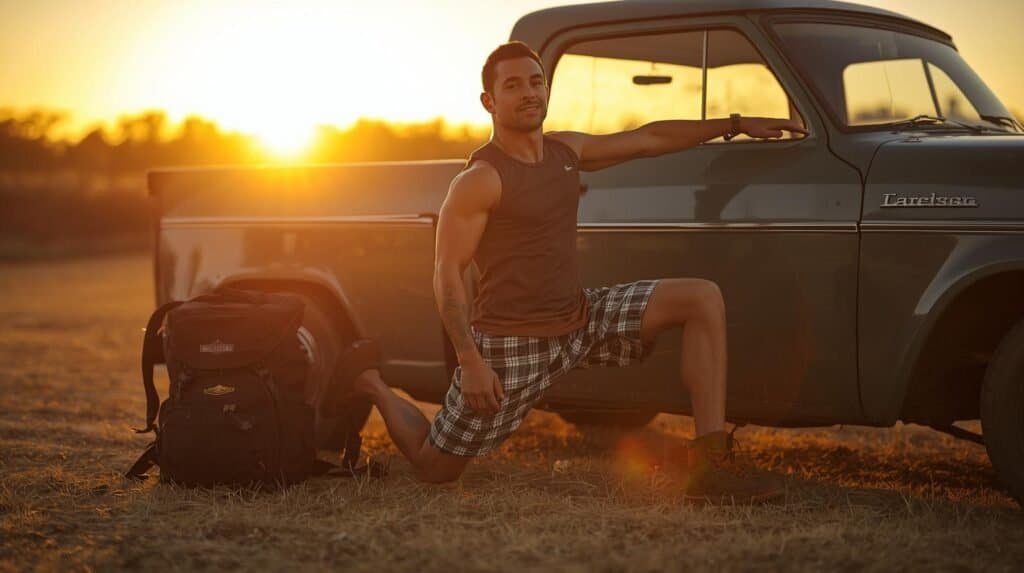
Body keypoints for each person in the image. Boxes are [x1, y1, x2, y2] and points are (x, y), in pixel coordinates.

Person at [348, 41, 808, 499]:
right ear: (489, 101)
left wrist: (735, 124)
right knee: (435, 468)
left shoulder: (565, 150)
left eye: (536, 81)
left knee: (701, 296)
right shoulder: (480, 180)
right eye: (513, 85)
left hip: (580, 317)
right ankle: (369, 382)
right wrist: (470, 361)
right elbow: (447, 273)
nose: (529, 92)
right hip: (513, 342)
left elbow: (650, 139)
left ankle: (711, 465)